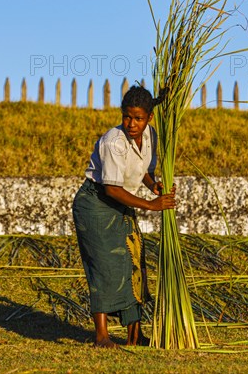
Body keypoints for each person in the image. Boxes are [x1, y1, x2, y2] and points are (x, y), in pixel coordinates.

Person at [72, 85, 174, 348]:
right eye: (127, 117)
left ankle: (134, 335)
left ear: (149, 118)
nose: (131, 123)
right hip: (95, 204)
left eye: (138, 118)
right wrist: (151, 205)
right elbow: (111, 188)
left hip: (122, 201)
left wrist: (153, 186)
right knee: (105, 266)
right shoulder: (112, 142)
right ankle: (102, 336)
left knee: (133, 260)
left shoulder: (150, 134)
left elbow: (144, 170)